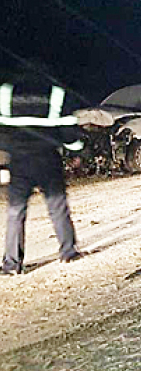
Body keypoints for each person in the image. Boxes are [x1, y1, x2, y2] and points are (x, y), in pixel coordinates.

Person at [0, 69, 84, 275]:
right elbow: (68, 129)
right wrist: (77, 151)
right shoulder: (56, 93)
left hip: (19, 161)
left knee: (15, 211)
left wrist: (9, 149)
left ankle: (12, 264)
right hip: (48, 159)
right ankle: (68, 252)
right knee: (57, 206)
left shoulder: (6, 92)